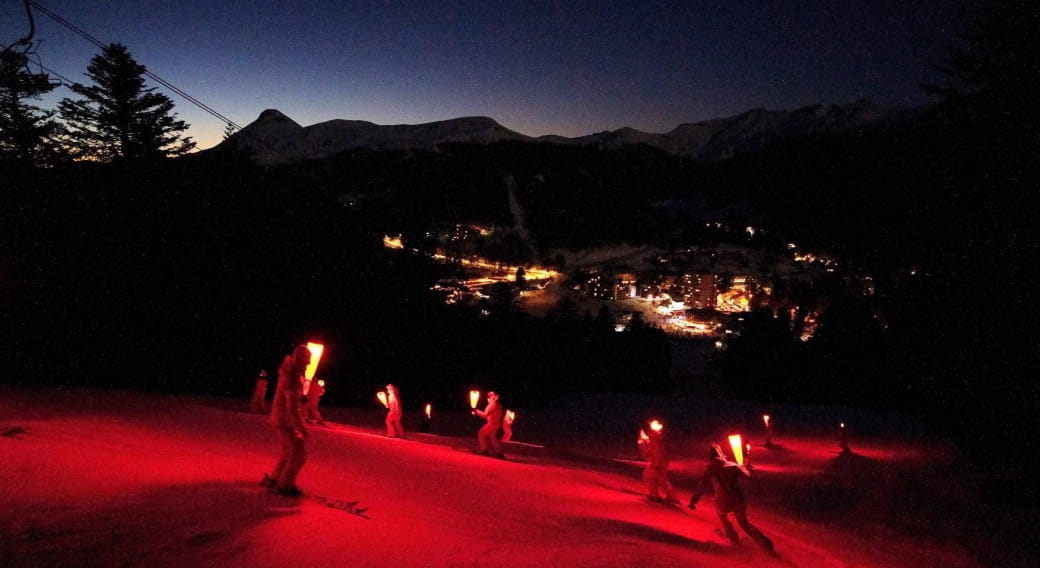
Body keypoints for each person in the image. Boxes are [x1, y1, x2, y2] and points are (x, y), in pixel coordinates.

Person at [688, 443, 774, 552]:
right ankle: (764, 543)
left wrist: (693, 501)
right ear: (721, 453)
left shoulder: (709, 470)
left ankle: (734, 540)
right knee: (744, 523)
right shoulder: (732, 466)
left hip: (721, 501)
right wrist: (746, 466)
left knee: (723, 518)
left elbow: (701, 487)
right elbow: (748, 477)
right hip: (737, 499)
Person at [261, 345, 311, 497]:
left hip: (280, 417)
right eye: (306, 360)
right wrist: (301, 427)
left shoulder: (289, 372)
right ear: (298, 359)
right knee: (298, 455)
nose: (308, 364)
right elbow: (292, 408)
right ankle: (285, 485)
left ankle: (275, 478)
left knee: (288, 451)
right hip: (286, 420)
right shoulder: (291, 377)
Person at [641, 419, 678, 504]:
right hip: (659, 463)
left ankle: (659, 496)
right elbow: (652, 450)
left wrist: (657, 464)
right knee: (654, 478)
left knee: (654, 478)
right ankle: (664, 496)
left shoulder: (655, 439)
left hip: (659, 463)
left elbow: (658, 451)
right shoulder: (654, 439)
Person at [472, 390, 505, 458]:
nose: (489, 399)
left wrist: (476, 411)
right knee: (492, 437)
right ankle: (499, 452)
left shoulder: (492, 405)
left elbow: (485, 415)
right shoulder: (498, 404)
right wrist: (476, 411)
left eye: (490, 397)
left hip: (492, 424)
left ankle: (484, 450)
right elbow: (489, 415)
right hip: (496, 424)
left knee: (480, 433)